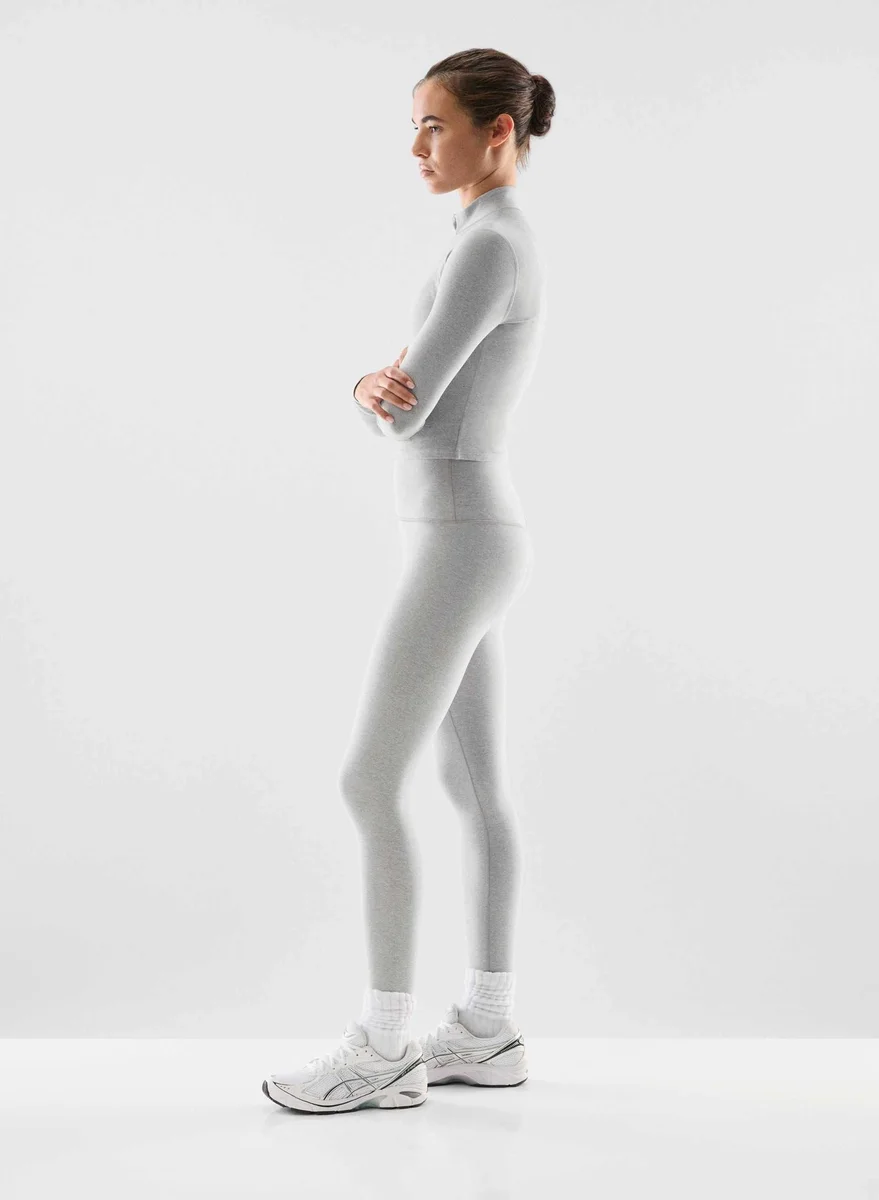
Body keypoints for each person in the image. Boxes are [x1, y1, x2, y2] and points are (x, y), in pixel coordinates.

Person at [263, 48, 555, 1114]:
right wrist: (377, 386)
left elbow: (406, 408)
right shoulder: (490, 237)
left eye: (436, 124)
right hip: (469, 533)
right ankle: (486, 1026)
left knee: (366, 781)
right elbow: (416, 398)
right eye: (417, 124)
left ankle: (383, 1046)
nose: (418, 145)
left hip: (460, 540)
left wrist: (361, 384)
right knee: (471, 788)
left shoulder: (490, 247)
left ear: (497, 131)